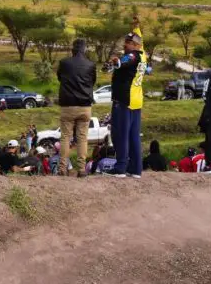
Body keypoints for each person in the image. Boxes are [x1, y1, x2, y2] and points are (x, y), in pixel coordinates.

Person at [105, 33, 147, 178]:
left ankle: (121, 167)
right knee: (134, 136)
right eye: (126, 41)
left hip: (124, 101)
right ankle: (136, 169)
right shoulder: (143, 56)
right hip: (136, 101)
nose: (125, 44)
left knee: (120, 134)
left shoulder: (133, 55)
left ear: (136, 45)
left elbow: (125, 62)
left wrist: (117, 62)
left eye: (128, 42)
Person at [56, 38, 97, 177]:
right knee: (82, 138)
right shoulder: (91, 65)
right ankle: (81, 169)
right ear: (84, 50)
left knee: (65, 137)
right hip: (85, 106)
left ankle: (62, 168)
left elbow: (60, 78)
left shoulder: (64, 63)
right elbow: (92, 81)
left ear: (73, 49)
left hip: (67, 105)